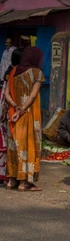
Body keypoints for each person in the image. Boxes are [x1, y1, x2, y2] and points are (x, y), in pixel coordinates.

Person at [4, 46, 44, 191]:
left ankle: (12, 181)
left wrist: (16, 106)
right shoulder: (36, 73)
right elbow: (33, 96)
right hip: (28, 115)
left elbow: (7, 94)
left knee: (15, 147)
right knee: (28, 147)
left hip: (13, 114)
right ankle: (24, 183)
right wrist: (22, 110)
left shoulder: (13, 72)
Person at [0, 48, 23, 186]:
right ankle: (10, 177)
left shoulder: (10, 71)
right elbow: (6, 97)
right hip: (12, 113)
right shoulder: (14, 73)